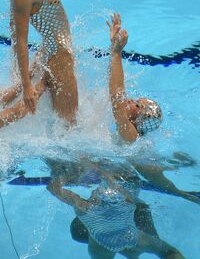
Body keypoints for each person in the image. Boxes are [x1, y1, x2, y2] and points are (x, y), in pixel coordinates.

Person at [47, 157, 188, 259]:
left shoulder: (84, 209)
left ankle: (131, 254)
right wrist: (97, 169)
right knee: (168, 251)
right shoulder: (125, 201)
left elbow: (53, 188)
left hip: (107, 244)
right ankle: (133, 254)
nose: (93, 191)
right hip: (132, 237)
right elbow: (118, 183)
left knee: (77, 232)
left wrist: (65, 176)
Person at [6, 0, 78, 124]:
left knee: (60, 120)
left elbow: (12, 28)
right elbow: (20, 38)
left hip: (49, 52)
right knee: (69, 125)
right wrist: (26, 85)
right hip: (59, 57)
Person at [107, 13, 162, 143]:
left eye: (137, 105)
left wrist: (117, 52)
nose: (131, 100)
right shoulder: (129, 132)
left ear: (139, 121)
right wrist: (113, 45)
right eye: (137, 100)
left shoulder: (131, 136)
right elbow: (112, 85)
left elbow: (117, 99)